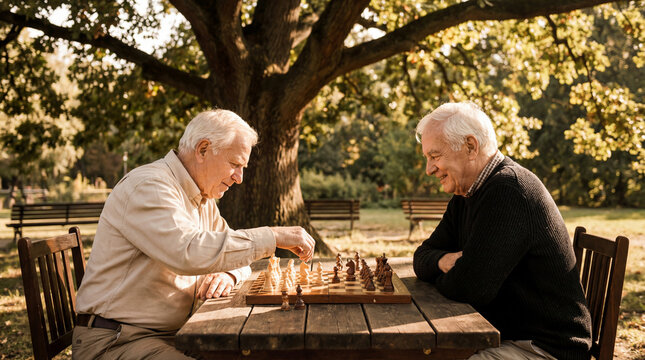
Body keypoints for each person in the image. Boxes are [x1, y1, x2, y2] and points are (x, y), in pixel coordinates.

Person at [72, 109, 315, 359]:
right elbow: (187, 251)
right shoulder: (149, 186)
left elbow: (230, 249)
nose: (239, 178)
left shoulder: (202, 197)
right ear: (202, 150)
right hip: (117, 341)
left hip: (171, 334)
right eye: (234, 164)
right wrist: (272, 237)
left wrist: (230, 273)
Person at [412, 102, 592, 360]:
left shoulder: (508, 190)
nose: (429, 169)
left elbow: (469, 288)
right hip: (507, 336)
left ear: (470, 147)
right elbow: (421, 256)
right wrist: (442, 261)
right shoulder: (467, 193)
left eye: (435, 156)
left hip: (545, 349)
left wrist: (457, 272)